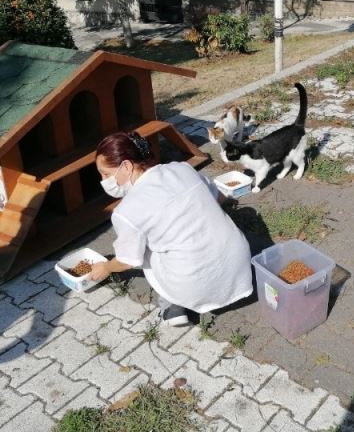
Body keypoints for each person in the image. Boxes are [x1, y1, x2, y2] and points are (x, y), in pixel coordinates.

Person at [88, 131, 253, 326]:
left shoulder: (125, 212)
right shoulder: (182, 168)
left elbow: (128, 260)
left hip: (196, 285)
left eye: (105, 174)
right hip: (241, 265)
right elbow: (218, 197)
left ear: (126, 166)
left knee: (145, 250)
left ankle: (172, 306)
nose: (103, 180)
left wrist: (106, 268)